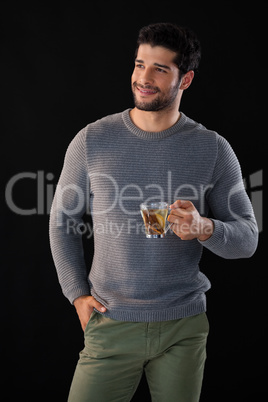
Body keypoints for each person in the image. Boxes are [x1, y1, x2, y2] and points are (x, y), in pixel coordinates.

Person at [49, 22, 258, 402]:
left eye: (160, 69)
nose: (144, 78)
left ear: (186, 79)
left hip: (183, 327)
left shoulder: (213, 148)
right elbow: (62, 220)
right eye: (139, 64)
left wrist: (204, 227)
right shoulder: (93, 139)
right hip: (110, 323)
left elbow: (247, 240)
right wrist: (77, 293)